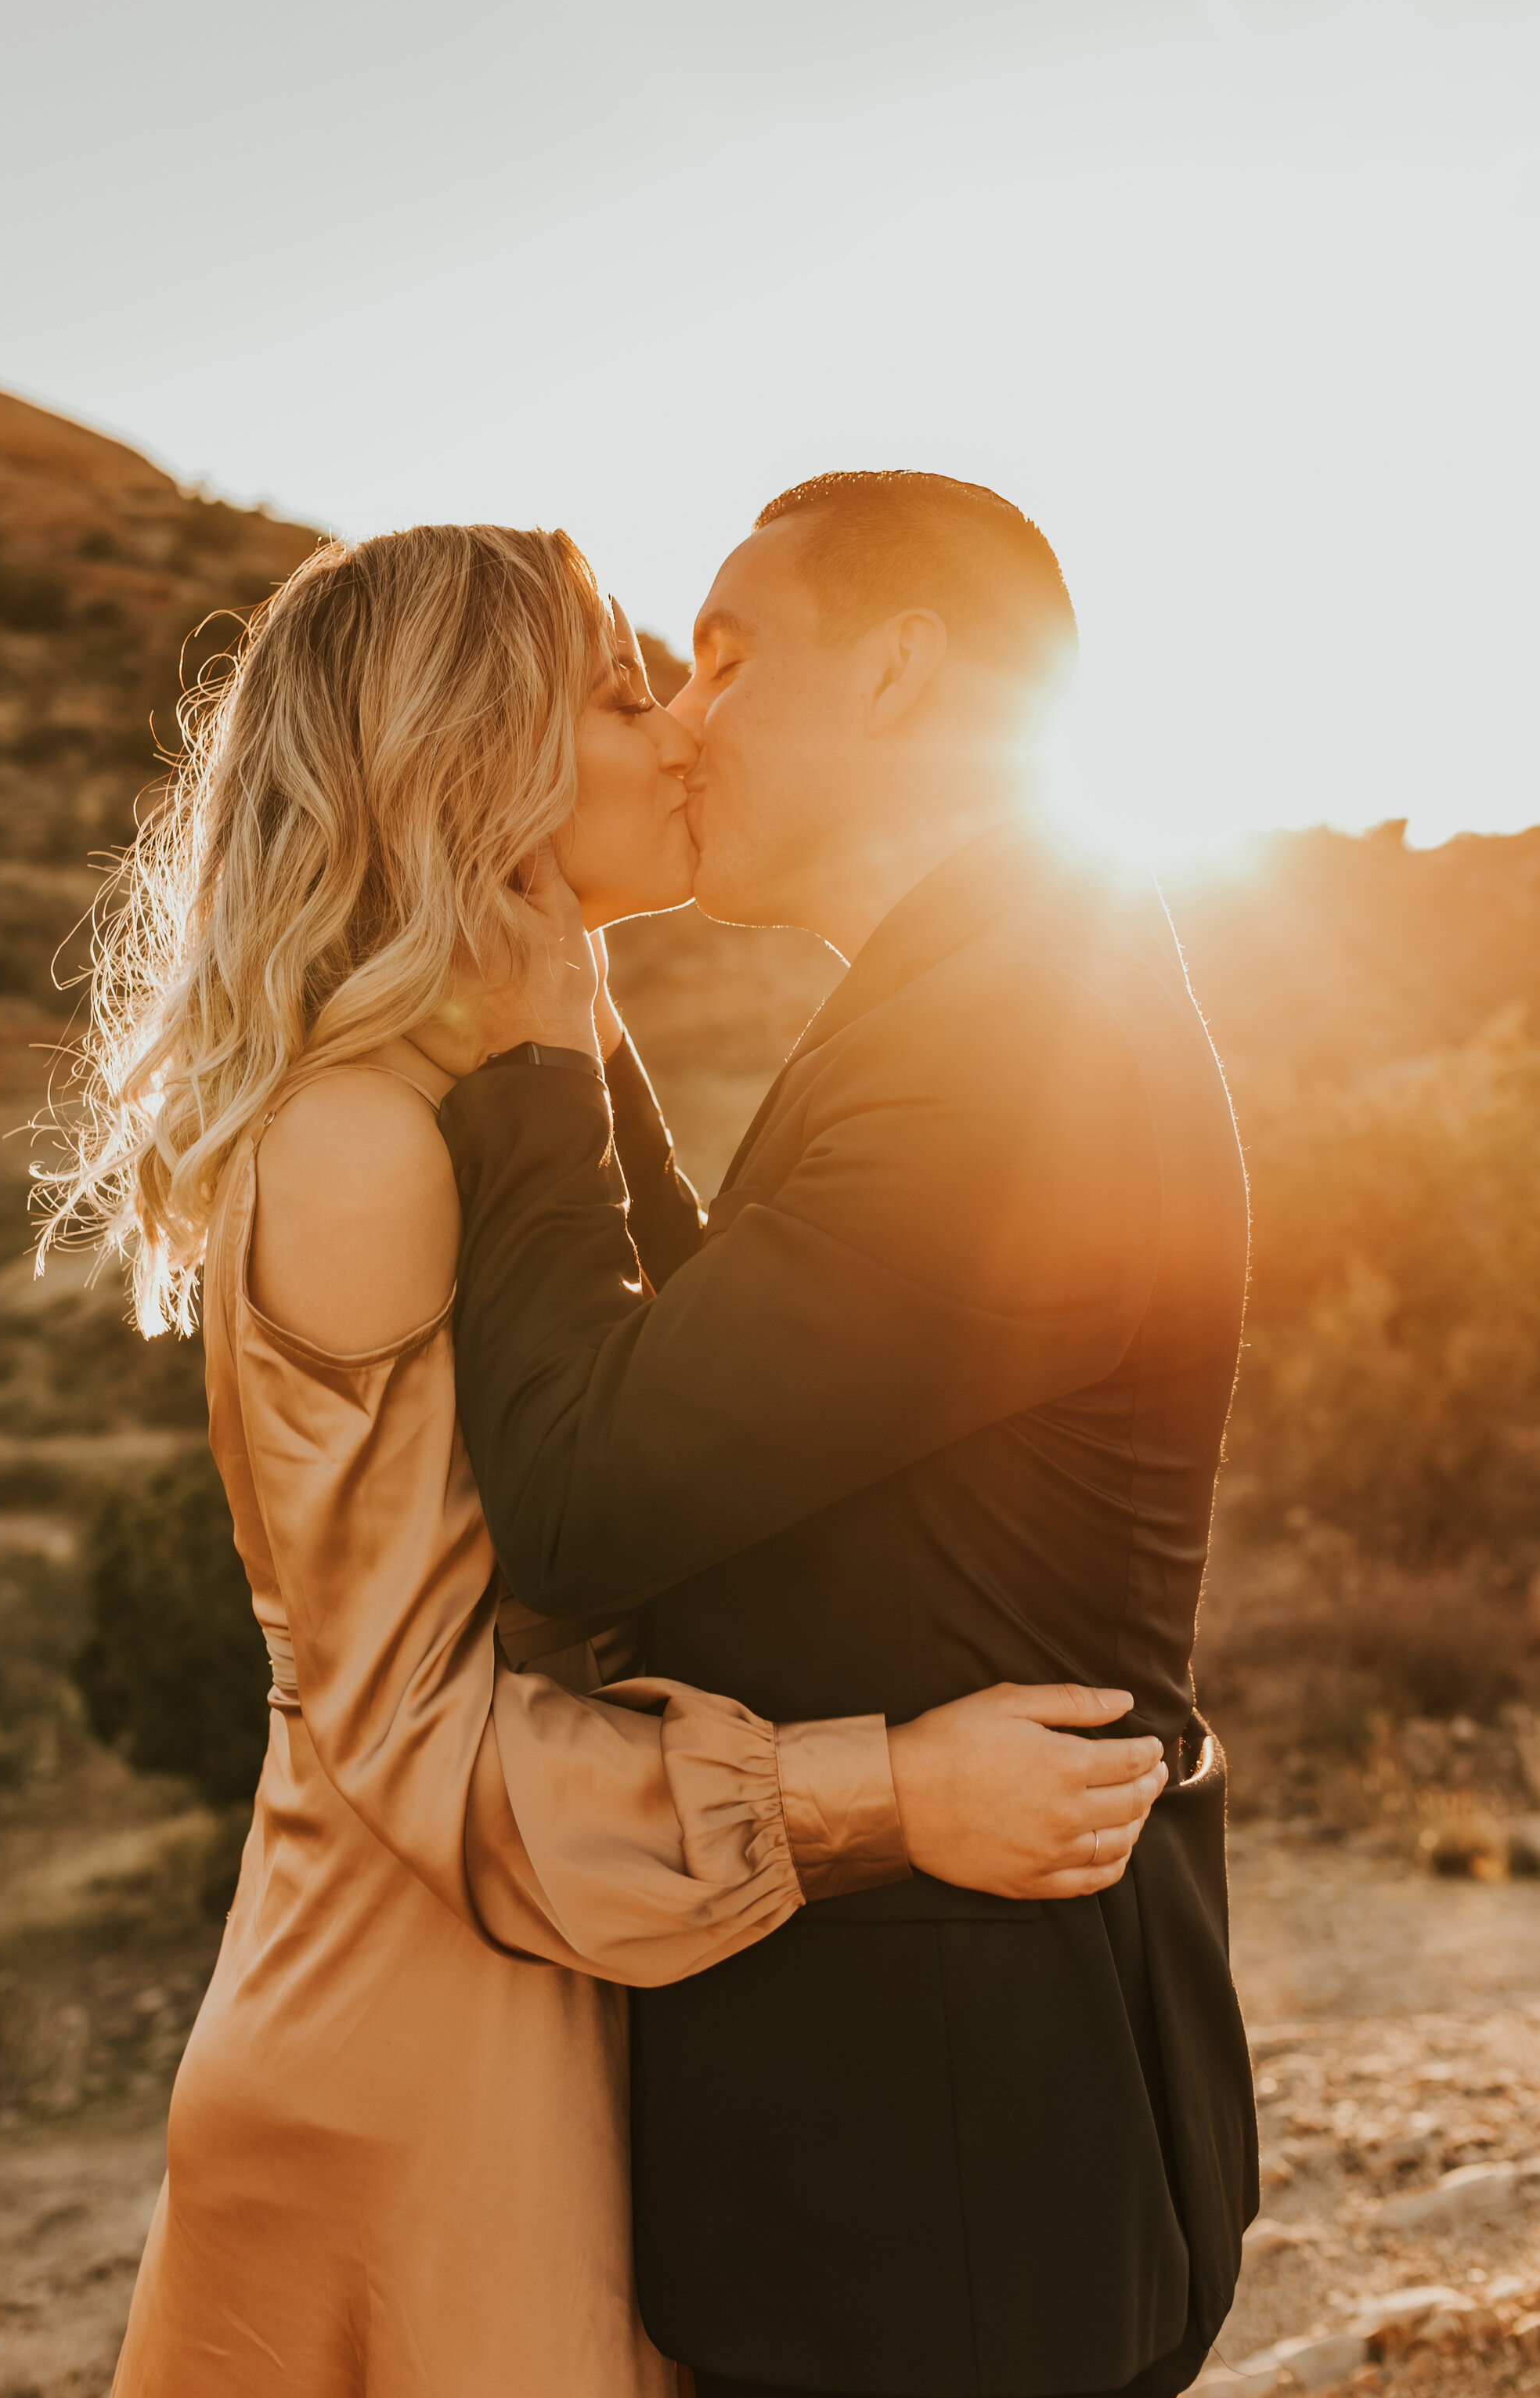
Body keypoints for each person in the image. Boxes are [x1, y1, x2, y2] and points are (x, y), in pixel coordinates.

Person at [42, 522, 1170, 2398]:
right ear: (480, 751)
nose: (681, 736)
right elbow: (409, 1730)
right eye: (630, 687)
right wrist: (882, 1793)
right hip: (425, 2045)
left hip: (538, 1967)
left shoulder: (459, 1093)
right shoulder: (359, 1143)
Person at [438, 472, 1260, 2398]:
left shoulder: (1005, 1047)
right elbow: (748, 1383)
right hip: (958, 2123)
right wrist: (586, 1003)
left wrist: (531, 1054)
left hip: (953, 2171)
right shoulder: (981, 991)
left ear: (900, 672)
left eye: (727, 655)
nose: (683, 712)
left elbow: (580, 1492)